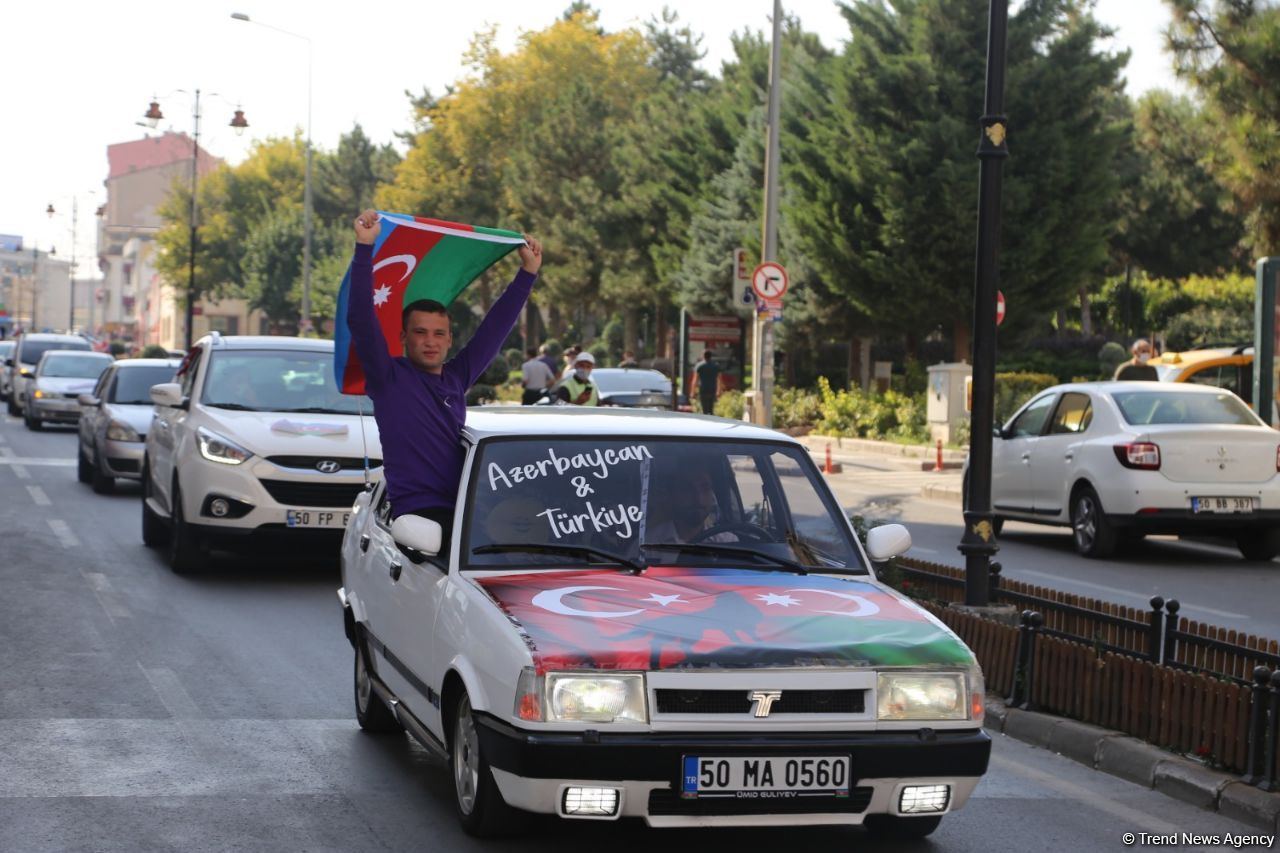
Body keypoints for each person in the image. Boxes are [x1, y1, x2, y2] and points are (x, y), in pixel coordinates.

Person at [346, 208, 542, 534]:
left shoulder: (456, 377)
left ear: (450, 339)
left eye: (439, 334)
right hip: (418, 520)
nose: (430, 342)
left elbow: (493, 331)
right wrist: (364, 247)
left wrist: (527, 274)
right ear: (403, 338)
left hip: (467, 512)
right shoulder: (387, 377)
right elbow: (361, 319)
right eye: (420, 332)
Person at [692, 350, 721, 414]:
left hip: (703, 390)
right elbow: (719, 380)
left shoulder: (699, 366)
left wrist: (693, 392)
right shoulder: (716, 366)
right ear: (711, 356)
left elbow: (695, 380)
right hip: (713, 389)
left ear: (703, 356)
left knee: (704, 410)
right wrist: (719, 391)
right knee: (711, 409)